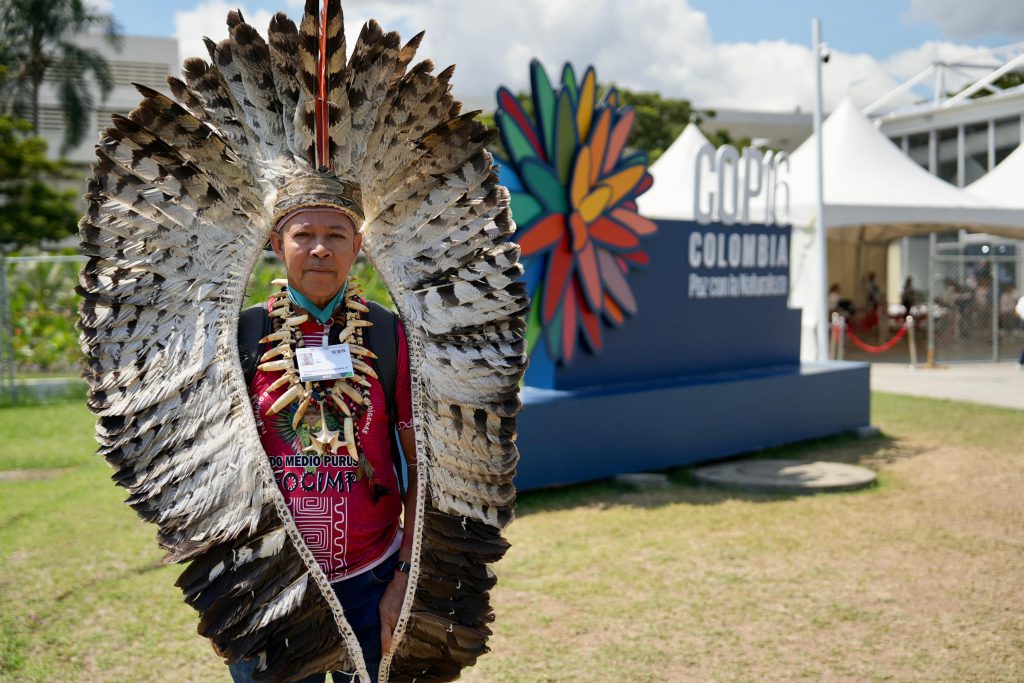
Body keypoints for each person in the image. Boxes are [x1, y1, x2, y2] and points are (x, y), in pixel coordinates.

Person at [229, 203, 417, 683]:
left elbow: (424, 471)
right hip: (268, 580)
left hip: (372, 578)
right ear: (276, 244)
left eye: (336, 235)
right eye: (303, 235)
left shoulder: (390, 335)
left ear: (357, 247)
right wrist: (227, 592)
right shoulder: (240, 335)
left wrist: (404, 580)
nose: (319, 248)